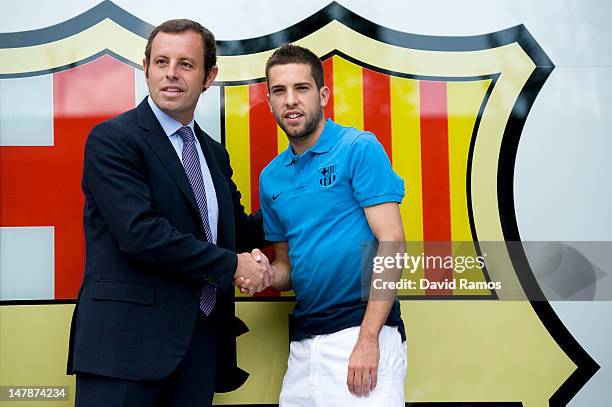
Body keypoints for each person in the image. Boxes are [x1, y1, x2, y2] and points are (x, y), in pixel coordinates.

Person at [67, 19, 271, 407]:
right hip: (124, 350)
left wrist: (304, 200)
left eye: (185, 64)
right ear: (145, 67)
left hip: (198, 348)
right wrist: (234, 266)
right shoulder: (113, 140)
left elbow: (234, 233)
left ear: (209, 76)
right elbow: (140, 234)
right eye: (161, 62)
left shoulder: (212, 153)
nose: (171, 74)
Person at [236, 44, 408, 406]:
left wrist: (369, 339)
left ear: (323, 94)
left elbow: (392, 241)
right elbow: (287, 267)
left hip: (358, 333)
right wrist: (268, 275)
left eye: (302, 88)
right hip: (303, 343)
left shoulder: (358, 148)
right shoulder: (272, 178)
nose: (291, 101)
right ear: (269, 102)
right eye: (280, 91)